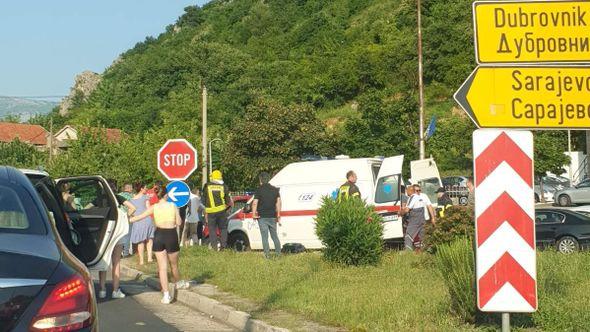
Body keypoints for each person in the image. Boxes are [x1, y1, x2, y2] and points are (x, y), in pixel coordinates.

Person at [129, 186, 190, 304]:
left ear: (157, 195)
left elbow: (139, 217)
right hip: (171, 235)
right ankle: (178, 283)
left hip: (158, 235)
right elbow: (178, 223)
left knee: (162, 268)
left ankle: (166, 295)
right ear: (167, 195)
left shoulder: (154, 207)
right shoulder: (173, 206)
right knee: (174, 265)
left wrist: (129, 218)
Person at [98, 180, 136, 300]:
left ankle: (102, 290)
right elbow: (132, 208)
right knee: (116, 263)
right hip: (118, 232)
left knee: (103, 262)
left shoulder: (100, 199)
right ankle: (115, 290)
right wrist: (126, 217)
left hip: (105, 234)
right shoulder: (117, 197)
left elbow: (86, 208)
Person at [252, 172, 282, 258]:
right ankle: (278, 255)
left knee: (265, 237)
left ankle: (267, 255)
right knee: (274, 236)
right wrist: (278, 214)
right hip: (273, 216)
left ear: (260, 180)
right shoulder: (275, 190)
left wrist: (254, 214)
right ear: (268, 179)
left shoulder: (259, 190)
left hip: (262, 217)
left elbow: (255, 203)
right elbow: (278, 202)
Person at [202, 170, 233, 251]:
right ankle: (223, 247)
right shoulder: (224, 186)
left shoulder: (206, 186)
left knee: (212, 230)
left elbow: (203, 200)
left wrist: (205, 212)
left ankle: (214, 248)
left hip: (210, 212)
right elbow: (228, 201)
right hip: (222, 211)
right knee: (223, 229)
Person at [403, 184, 436, 251]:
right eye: (417, 190)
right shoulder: (413, 197)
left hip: (424, 219)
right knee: (419, 237)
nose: (418, 192)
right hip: (420, 219)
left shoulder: (423, 196)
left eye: (419, 190)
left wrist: (433, 217)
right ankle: (422, 250)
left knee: (420, 236)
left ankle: (422, 250)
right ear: (414, 190)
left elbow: (429, 206)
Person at [129, 183, 155, 265]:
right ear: (141, 189)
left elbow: (131, 212)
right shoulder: (145, 197)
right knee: (149, 239)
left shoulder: (131, 199)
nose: (146, 189)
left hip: (137, 221)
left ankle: (141, 261)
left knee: (140, 241)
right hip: (147, 219)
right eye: (145, 187)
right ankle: (150, 258)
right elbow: (148, 209)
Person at [118, 183, 134, 256]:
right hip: (128, 217)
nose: (132, 189)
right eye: (131, 188)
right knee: (127, 235)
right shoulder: (133, 196)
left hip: (119, 217)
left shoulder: (119, 195)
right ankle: (126, 253)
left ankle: (119, 252)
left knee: (120, 235)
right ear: (128, 188)